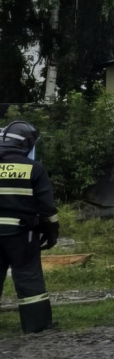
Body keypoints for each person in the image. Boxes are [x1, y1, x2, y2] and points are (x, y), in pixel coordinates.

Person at [0, 120, 58, 333]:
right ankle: (36, 326)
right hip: (22, 235)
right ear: (26, 143)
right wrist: (52, 232)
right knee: (27, 276)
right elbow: (47, 208)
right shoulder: (33, 168)